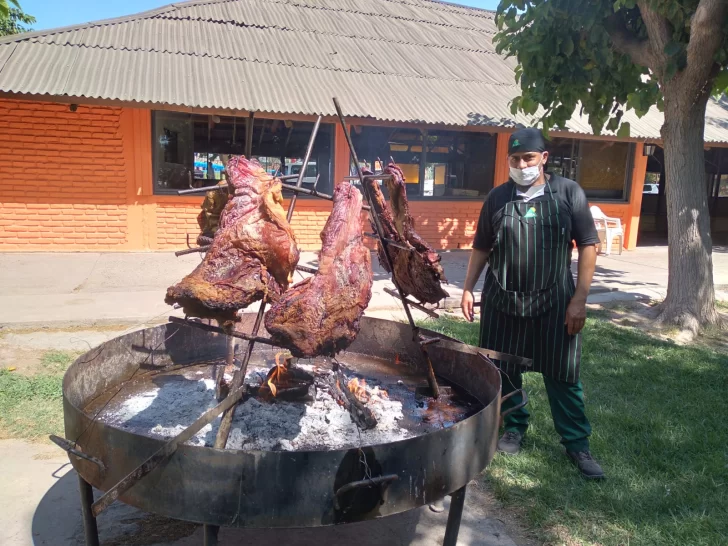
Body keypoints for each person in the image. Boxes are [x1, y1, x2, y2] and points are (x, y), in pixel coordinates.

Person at [460, 128, 604, 479]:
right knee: (502, 370)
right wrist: (467, 288)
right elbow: (482, 246)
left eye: (528, 158)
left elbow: (588, 245)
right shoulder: (497, 198)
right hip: (502, 301)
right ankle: (514, 427)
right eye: (515, 159)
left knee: (563, 374)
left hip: (555, 301)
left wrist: (580, 299)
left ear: (544, 157)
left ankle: (577, 444)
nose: (522, 164)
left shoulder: (569, 193)